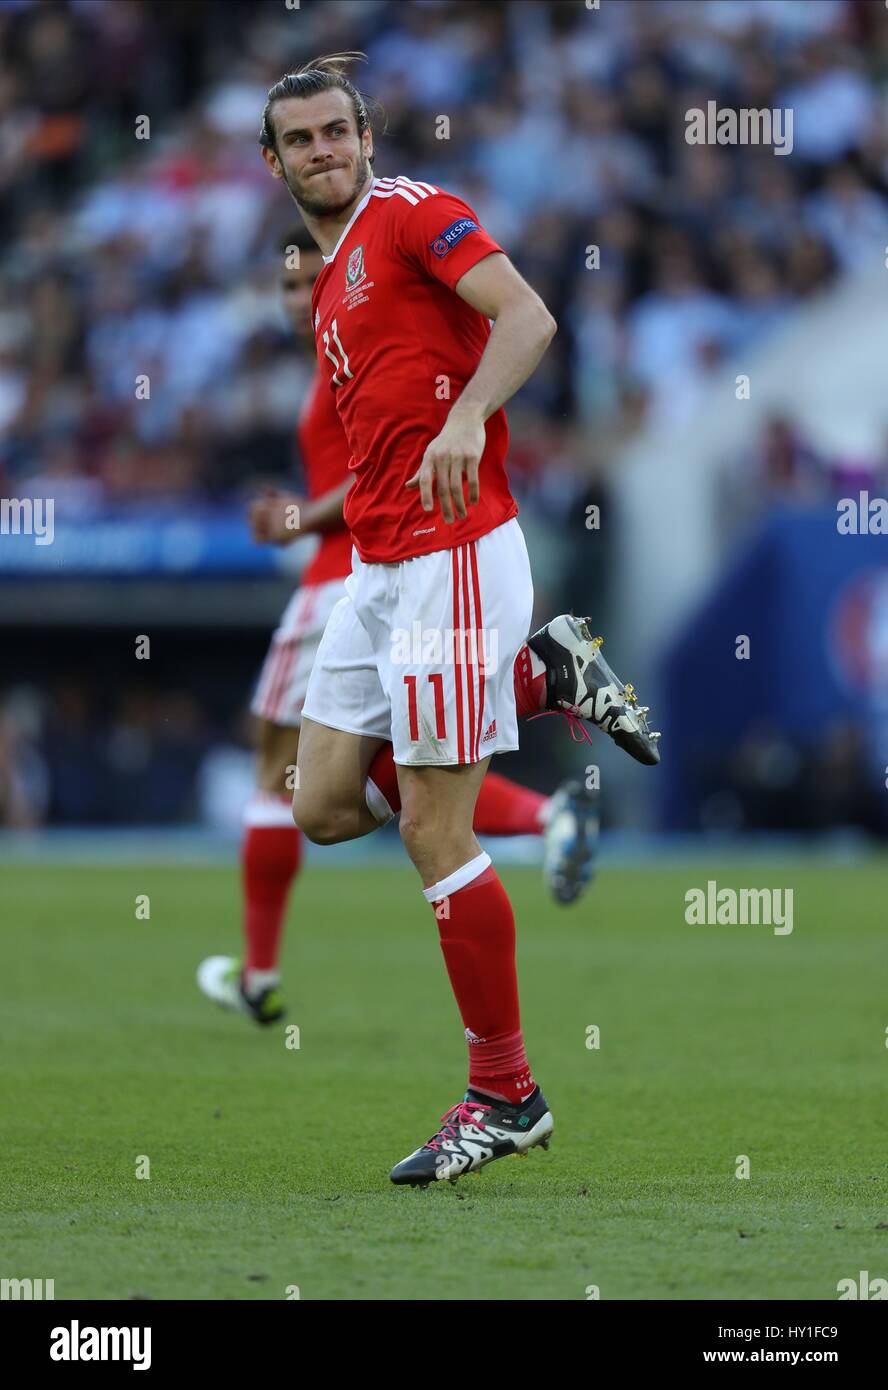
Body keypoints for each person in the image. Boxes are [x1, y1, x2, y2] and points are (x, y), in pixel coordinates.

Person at [255, 52, 659, 1187]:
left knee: (438, 827)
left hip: (454, 556)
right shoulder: (331, 278)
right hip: (377, 573)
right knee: (323, 802)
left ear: (368, 137)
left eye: (339, 131)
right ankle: (544, 675)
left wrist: (470, 417)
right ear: (277, 162)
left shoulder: (412, 215)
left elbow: (527, 318)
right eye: (302, 140)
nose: (325, 151)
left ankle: (506, 1094)